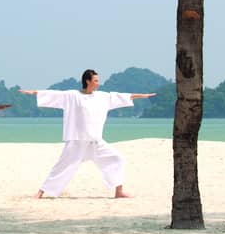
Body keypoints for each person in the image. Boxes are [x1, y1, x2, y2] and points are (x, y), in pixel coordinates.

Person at [22, 69, 156, 199]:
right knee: (62, 167)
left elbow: (123, 96)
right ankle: (40, 193)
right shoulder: (73, 96)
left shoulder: (102, 97)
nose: (98, 83)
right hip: (77, 141)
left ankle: (119, 192)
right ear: (87, 81)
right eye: (96, 80)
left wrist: (142, 96)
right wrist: (34, 92)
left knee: (117, 159)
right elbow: (54, 95)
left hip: (96, 142)